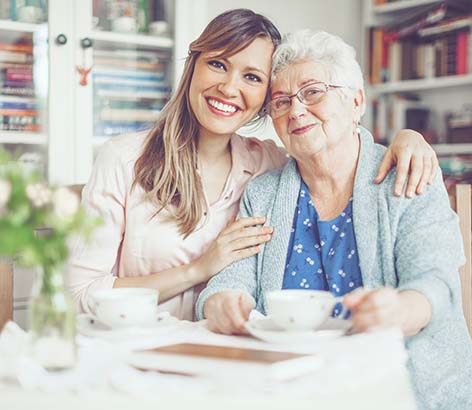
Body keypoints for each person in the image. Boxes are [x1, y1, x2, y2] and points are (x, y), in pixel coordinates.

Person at [68, 9, 438, 321]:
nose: (229, 88)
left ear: (264, 99)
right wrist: (198, 270)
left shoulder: (269, 167)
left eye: (252, 77)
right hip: (136, 348)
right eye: (217, 64)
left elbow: (332, 141)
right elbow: (78, 294)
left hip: (225, 358)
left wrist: (409, 137)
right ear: (193, 66)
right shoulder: (124, 159)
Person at [197, 29, 472, 410]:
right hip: (291, 391)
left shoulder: (408, 173)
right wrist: (222, 303)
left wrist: (400, 310)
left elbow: (437, 284)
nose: (295, 110)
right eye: (280, 101)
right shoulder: (264, 192)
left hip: (402, 391)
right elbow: (230, 280)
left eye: (313, 92)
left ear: (356, 100)